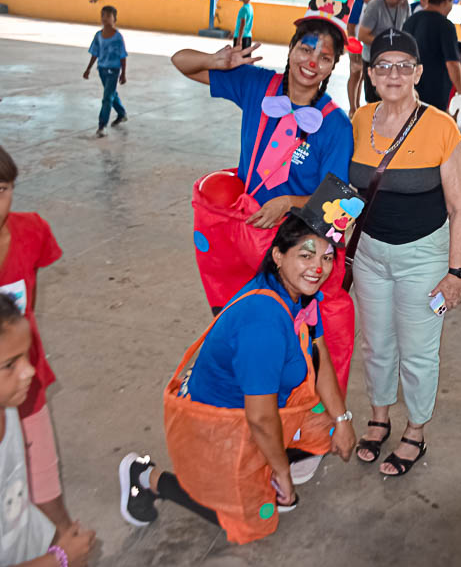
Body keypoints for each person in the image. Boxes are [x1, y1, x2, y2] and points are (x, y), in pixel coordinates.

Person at [118, 196, 359, 543]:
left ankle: (261, 463)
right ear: (278, 255)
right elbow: (260, 418)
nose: (318, 268)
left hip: (258, 408)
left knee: (314, 427)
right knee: (249, 523)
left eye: (325, 258)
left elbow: (320, 360)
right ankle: (145, 476)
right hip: (222, 422)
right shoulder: (263, 322)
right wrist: (282, 476)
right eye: (306, 255)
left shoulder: (302, 295)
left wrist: (342, 421)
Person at [171, 0, 360, 391]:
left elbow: (340, 203)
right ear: (291, 49)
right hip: (241, 232)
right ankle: (243, 397)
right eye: (306, 50)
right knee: (239, 316)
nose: (312, 62)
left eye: (325, 58)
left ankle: (290, 408)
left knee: (286, 329)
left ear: (333, 68)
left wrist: (288, 202)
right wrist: (216, 60)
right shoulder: (258, 85)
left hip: (292, 244)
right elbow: (179, 61)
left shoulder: (336, 124)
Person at [350, 29, 461, 476]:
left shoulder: (441, 126)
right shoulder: (360, 119)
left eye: (404, 66)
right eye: (384, 65)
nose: (394, 74)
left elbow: (460, 209)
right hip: (369, 255)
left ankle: (415, 430)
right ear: (371, 74)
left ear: (419, 73)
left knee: (419, 351)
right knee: (377, 344)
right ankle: (379, 416)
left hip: (423, 257)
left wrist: (457, 273)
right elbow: (350, 192)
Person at [0, 147, 75, 535]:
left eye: (2, 189)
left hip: (26, 381)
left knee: (39, 468)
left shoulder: (32, 231)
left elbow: (28, 306)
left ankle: (60, 535)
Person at [0, 294, 97, 566]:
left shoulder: (8, 406)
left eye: (26, 356)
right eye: (10, 364)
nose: (30, 370)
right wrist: (59, 559)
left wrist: (55, 537)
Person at [403, 0, 461, 111]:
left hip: (408, 89)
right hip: (434, 94)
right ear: (447, 1)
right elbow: (452, 63)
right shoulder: (446, 26)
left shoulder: (411, 21)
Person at [358, 0, 410, 104]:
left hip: (394, 61)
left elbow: (407, 29)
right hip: (373, 59)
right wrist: (386, 42)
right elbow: (362, 35)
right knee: (373, 100)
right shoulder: (375, 7)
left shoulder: (404, 5)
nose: (401, 1)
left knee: (392, 98)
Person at [83, 5, 127, 138]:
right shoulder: (98, 36)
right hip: (102, 69)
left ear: (115, 19)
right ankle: (121, 113)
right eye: (103, 16)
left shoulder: (118, 37)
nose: (105, 19)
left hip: (113, 70)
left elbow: (122, 56)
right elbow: (95, 53)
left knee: (107, 98)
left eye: (108, 16)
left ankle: (102, 126)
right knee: (111, 94)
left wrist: (123, 73)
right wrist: (88, 69)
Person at [347, 0, 377, 116]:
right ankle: (352, 107)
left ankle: (357, 106)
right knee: (354, 75)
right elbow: (351, 26)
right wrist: (353, 47)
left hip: (365, 47)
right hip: (356, 46)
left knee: (362, 76)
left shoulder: (372, 6)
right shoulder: (358, 4)